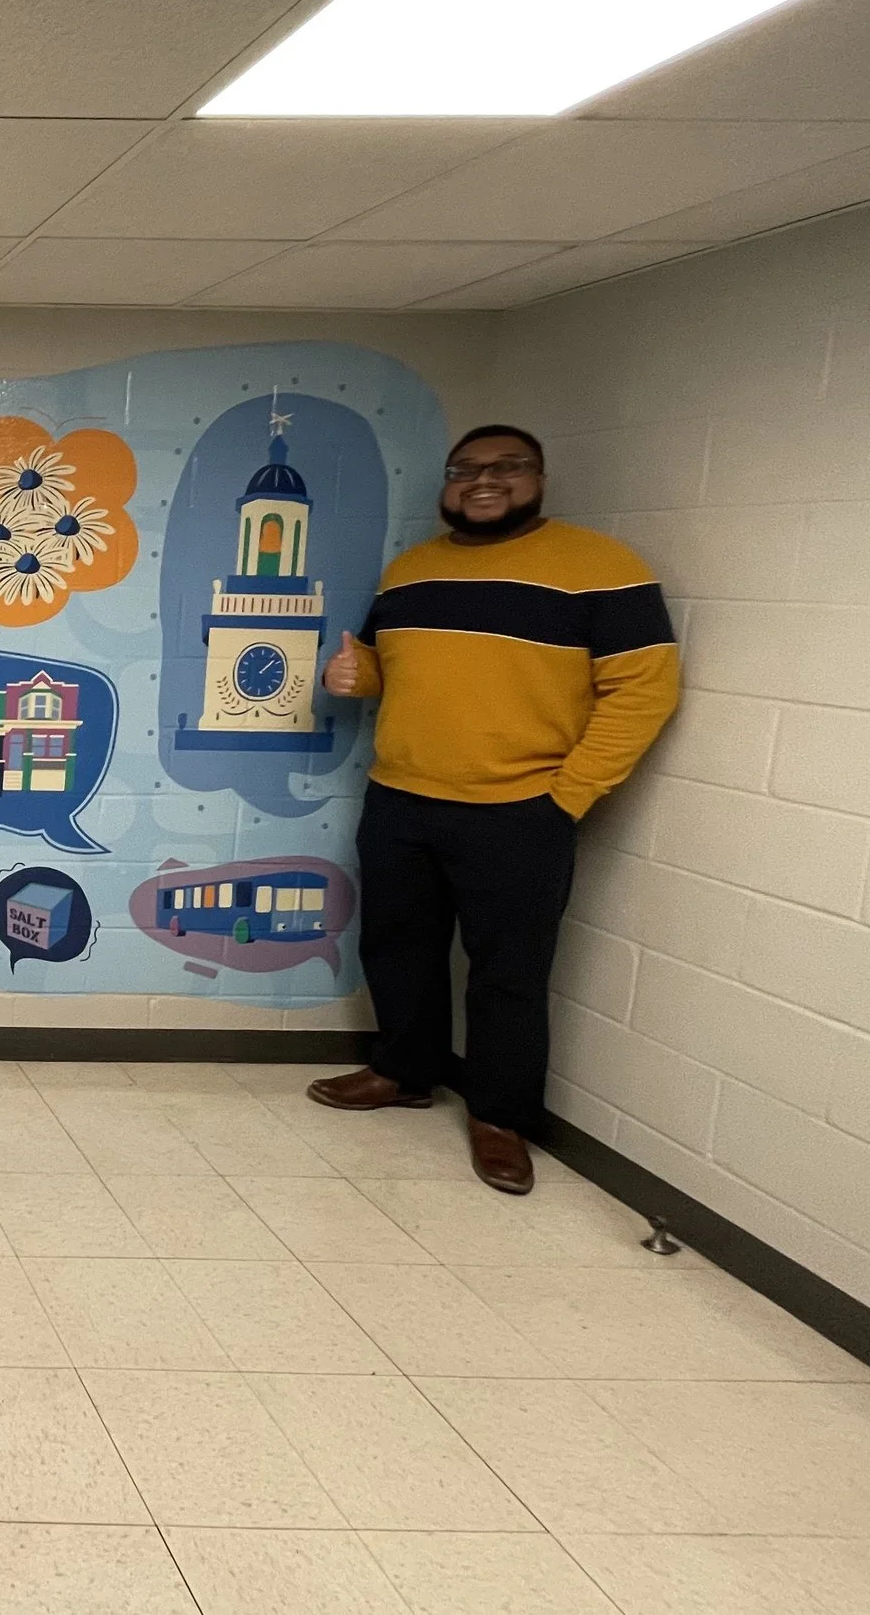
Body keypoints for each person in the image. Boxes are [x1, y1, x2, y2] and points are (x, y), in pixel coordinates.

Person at [308, 425, 680, 1194]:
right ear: (446, 485)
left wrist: (566, 797)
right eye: (465, 470)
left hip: (520, 808)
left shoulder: (602, 568)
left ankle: (500, 1118)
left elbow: (644, 691)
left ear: (538, 477)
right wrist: (356, 674)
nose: (483, 481)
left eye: (506, 467)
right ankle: (405, 1072)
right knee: (397, 945)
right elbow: (391, 665)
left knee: (508, 974)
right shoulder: (411, 570)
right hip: (401, 797)